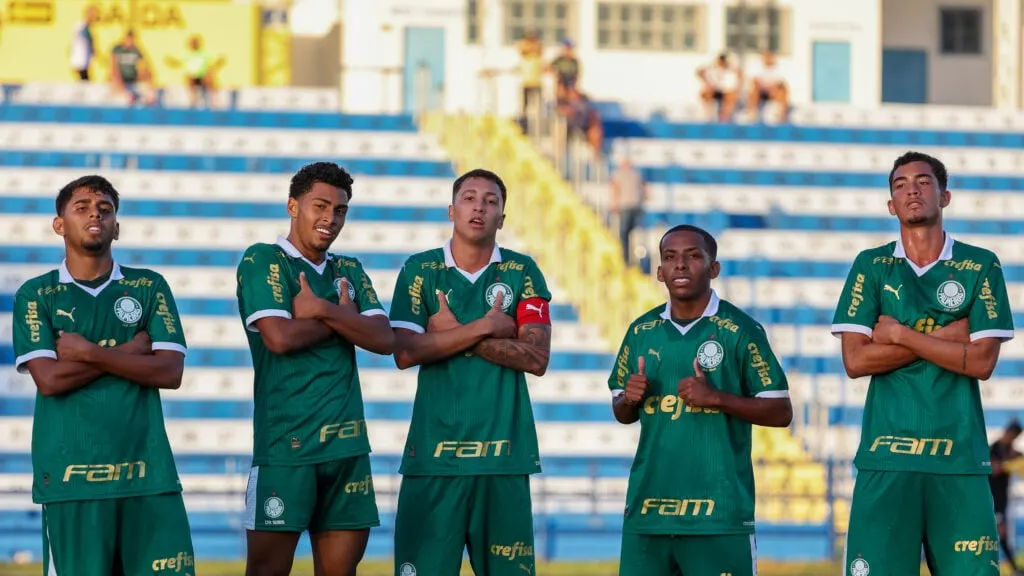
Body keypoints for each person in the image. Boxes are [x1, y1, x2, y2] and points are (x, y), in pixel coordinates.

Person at [832, 151, 1015, 575]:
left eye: (923, 181)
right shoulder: (871, 266)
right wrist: (949, 335)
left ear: (945, 195)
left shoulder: (980, 264)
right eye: (900, 185)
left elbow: (983, 361)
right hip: (886, 459)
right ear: (891, 205)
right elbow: (856, 361)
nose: (911, 189)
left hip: (960, 463)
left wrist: (900, 334)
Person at [12, 175, 194, 574]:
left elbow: (169, 370)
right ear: (59, 224)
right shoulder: (36, 294)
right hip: (70, 479)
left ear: (117, 225)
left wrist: (89, 353)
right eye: (82, 207)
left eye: (105, 209)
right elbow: (50, 380)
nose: (95, 213)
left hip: (150, 477)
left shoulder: (149, 286)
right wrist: (129, 353)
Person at [388, 168, 552, 576]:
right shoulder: (419, 270)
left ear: (502, 218)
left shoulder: (522, 271)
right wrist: (484, 327)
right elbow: (405, 351)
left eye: (492, 201)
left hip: (504, 460)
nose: (479, 206)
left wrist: (449, 334)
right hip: (433, 459)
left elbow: (536, 358)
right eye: (469, 198)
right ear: (451, 210)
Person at [236, 162, 394, 576]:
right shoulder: (263, 260)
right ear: (293, 205)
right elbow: (280, 338)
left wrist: (321, 310)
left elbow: (384, 339)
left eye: (340, 210)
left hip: (348, 449)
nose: (330, 219)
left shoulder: (350, 269)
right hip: (286, 447)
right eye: (319, 206)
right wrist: (346, 320)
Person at [608, 224, 793, 576]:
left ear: (714, 268)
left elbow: (781, 410)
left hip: (719, 515)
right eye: (670, 258)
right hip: (648, 513)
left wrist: (717, 398)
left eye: (693, 256)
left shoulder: (741, 329)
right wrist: (629, 400)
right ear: (660, 271)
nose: (680, 265)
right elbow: (621, 411)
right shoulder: (640, 331)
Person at [991, 419, 1023, 575]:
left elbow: (1019, 459)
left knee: (1002, 534)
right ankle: (1014, 569)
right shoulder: (995, 448)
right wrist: (1008, 464)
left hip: (1002, 500)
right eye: (1014, 435)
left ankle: (1014, 568)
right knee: (1000, 533)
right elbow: (994, 469)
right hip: (992, 498)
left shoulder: (1010, 450)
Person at [110, 30, 154, 106]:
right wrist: (117, 78)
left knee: (147, 74)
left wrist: (146, 74)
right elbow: (113, 66)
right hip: (120, 77)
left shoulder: (136, 50)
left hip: (132, 76)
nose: (131, 42)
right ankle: (127, 96)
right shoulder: (117, 49)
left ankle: (150, 96)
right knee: (115, 75)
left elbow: (145, 64)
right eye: (129, 40)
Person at [746, 51, 789, 123]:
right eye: (766, 57)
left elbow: (781, 83)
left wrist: (771, 87)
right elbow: (755, 82)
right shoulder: (757, 69)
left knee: (782, 91)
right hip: (761, 91)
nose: (768, 59)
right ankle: (752, 112)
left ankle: (782, 113)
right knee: (754, 91)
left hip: (773, 92)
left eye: (769, 57)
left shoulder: (778, 69)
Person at [697, 53, 741, 123]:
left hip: (726, 91)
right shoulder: (712, 69)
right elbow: (699, 72)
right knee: (706, 93)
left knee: (731, 96)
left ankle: (725, 118)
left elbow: (735, 82)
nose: (721, 63)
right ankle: (708, 116)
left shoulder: (730, 70)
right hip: (715, 90)